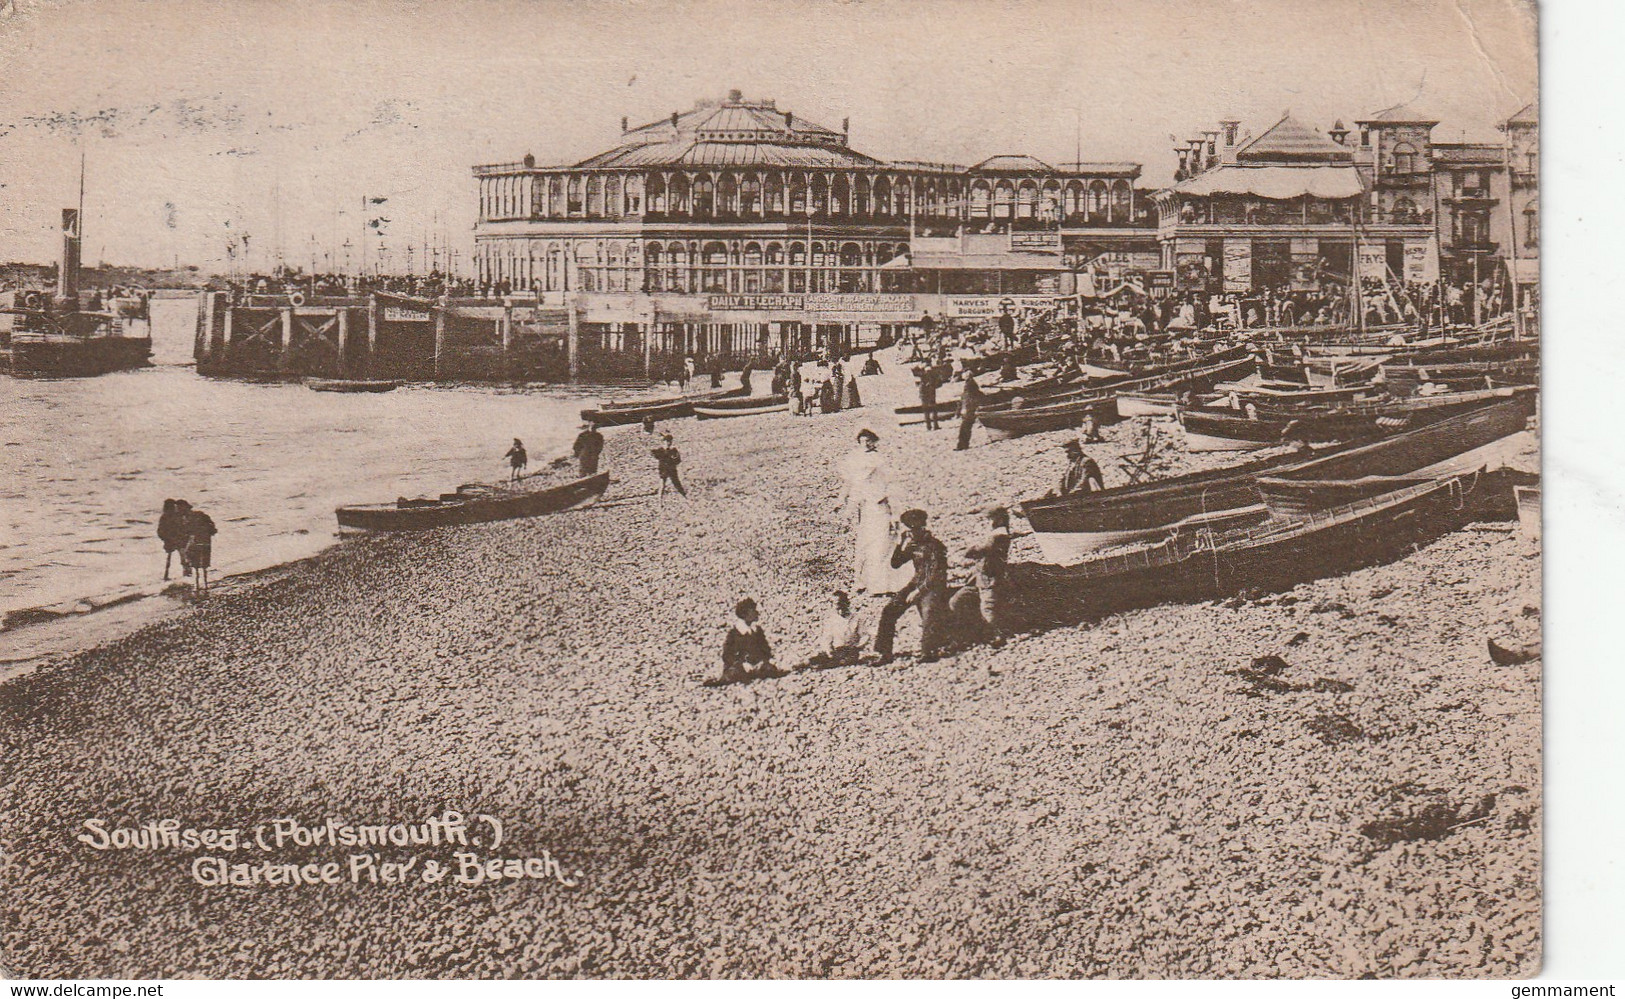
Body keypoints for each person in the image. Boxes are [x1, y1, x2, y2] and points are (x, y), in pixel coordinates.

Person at [872, 509, 951, 664]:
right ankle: (884, 652)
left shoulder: (935, 546)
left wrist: (918, 591)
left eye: (911, 530)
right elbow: (895, 563)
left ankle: (929, 651)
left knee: (928, 611)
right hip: (916, 583)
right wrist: (900, 544)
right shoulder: (914, 545)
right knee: (889, 610)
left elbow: (935, 574)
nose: (910, 534)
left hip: (933, 586)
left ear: (919, 528)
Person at [839, 429, 910, 595]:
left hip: (882, 509)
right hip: (867, 512)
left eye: (869, 441)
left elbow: (892, 487)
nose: (866, 444)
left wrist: (895, 513)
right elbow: (854, 490)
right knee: (866, 547)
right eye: (862, 442)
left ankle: (885, 585)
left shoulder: (881, 462)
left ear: (874, 441)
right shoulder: (857, 466)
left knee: (883, 546)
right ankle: (865, 582)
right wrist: (846, 511)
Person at [950, 505, 1012, 649]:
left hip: (991, 579)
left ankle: (998, 636)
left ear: (998, 519)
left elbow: (980, 550)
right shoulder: (994, 534)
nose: (987, 522)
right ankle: (974, 633)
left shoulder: (1000, 535)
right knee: (957, 601)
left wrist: (966, 550)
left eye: (989, 519)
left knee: (988, 609)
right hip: (979, 578)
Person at [805, 590, 866, 669]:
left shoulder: (856, 619)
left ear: (847, 603)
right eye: (835, 604)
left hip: (851, 651)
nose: (838, 607)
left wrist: (857, 647)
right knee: (816, 660)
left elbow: (864, 636)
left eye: (840, 603)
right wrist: (829, 651)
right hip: (836, 651)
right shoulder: (831, 620)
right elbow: (827, 638)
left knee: (841, 662)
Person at [720, 598, 774, 683]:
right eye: (753, 610)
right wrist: (743, 665)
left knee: (770, 668)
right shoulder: (735, 633)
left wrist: (762, 661)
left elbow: (766, 650)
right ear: (744, 614)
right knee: (734, 673)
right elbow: (727, 655)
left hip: (756, 666)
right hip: (741, 667)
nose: (757, 613)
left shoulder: (757, 631)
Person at [184, 506, 218, 595]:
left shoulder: (189, 518)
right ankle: (205, 584)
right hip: (206, 542)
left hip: (196, 543)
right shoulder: (201, 515)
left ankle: (198, 585)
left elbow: (188, 532)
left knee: (196, 565)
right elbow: (213, 529)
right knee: (204, 565)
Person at [158, 498, 190, 581]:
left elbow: (160, 531)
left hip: (173, 541)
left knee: (171, 560)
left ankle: (168, 576)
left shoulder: (165, 517)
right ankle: (187, 574)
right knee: (184, 558)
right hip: (178, 540)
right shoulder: (176, 516)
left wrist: (166, 539)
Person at [652, 432, 686, 497]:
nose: (668, 443)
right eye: (667, 441)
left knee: (677, 484)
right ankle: (660, 502)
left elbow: (678, 460)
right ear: (664, 442)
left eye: (670, 441)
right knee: (662, 486)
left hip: (672, 469)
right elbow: (656, 455)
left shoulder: (673, 450)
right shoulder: (660, 450)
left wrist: (675, 459)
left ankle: (685, 497)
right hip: (663, 470)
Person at [956, 373, 983, 451]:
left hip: (969, 409)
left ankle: (962, 445)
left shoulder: (970, 384)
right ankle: (963, 445)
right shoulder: (970, 384)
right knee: (965, 428)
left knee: (964, 428)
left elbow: (970, 397)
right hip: (968, 409)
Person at [915, 364, 941, 431]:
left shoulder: (924, 378)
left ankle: (930, 426)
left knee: (928, 411)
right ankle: (933, 426)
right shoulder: (929, 378)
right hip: (928, 396)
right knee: (932, 410)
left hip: (927, 396)